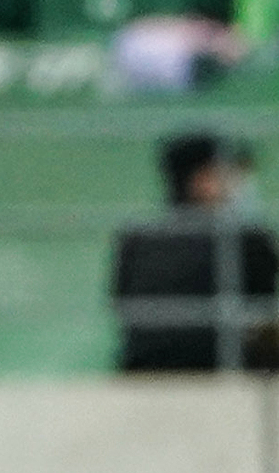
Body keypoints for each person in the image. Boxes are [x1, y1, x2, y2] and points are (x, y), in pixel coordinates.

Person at [111, 130, 275, 370]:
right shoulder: (247, 239)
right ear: (203, 181)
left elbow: (119, 306)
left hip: (140, 372)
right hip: (223, 373)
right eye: (234, 173)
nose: (241, 183)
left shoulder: (135, 237)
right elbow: (265, 312)